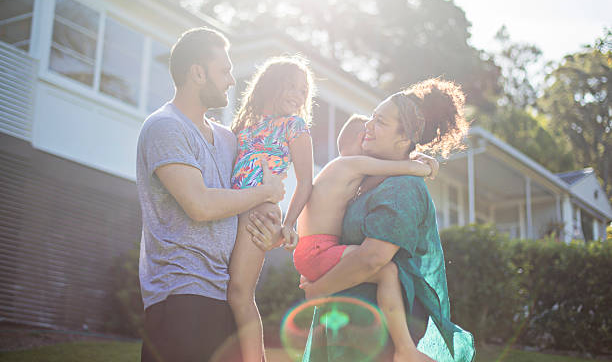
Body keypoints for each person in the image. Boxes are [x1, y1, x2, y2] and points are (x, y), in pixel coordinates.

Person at [136, 27, 286, 362]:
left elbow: (249, 203)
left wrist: (273, 228)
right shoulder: (165, 127)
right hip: (181, 299)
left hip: (224, 298)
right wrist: (267, 191)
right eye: (225, 71)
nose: (232, 80)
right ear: (198, 73)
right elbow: (200, 205)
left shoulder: (229, 140)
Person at [299, 78, 476, 362]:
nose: (368, 125)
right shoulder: (367, 178)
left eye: (379, 122)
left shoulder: (401, 188)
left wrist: (319, 289)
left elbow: (373, 258)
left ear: (404, 138)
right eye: (372, 116)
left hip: (377, 337)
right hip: (346, 329)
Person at [289, 114, 439, 361]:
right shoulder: (350, 165)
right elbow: (400, 169)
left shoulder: (340, 172)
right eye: (370, 134)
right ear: (363, 139)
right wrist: (426, 165)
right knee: (388, 272)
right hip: (319, 249)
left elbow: (383, 175)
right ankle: (405, 349)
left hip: (311, 250)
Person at [228, 56, 315, 362]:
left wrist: (289, 225)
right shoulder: (243, 125)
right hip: (229, 208)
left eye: (303, 91)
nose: (298, 94)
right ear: (270, 85)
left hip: (261, 212)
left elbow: (306, 182)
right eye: (291, 86)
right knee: (222, 290)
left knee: (239, 293)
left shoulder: (295, 125)